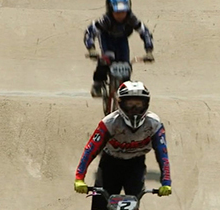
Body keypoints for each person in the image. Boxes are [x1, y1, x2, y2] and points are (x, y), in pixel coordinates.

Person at [74, 81, 172, 210]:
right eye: (130, 104)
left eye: (138, 104)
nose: (134, 109)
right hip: (110, 165)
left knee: (133, 204)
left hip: (135, 166)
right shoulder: (110, 122)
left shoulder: (154, 124)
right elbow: (91, 149)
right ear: (121, 104)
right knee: (99, 205)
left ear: (146, 104)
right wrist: (79, 177)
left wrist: (166, 182)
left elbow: (162, 153)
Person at [84, 0, 154, 97]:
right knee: (106, 59)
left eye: (123, 12)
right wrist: (91, 49)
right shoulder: (105, 20)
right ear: (110, 10)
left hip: (122, 40)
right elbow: (90, 32)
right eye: (117, 12)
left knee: (126, 66)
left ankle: (125, 91)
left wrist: (149, 50)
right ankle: (98, 83)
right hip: (107, 39)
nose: (120, 15)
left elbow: (145, 32)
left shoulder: (132, 19)